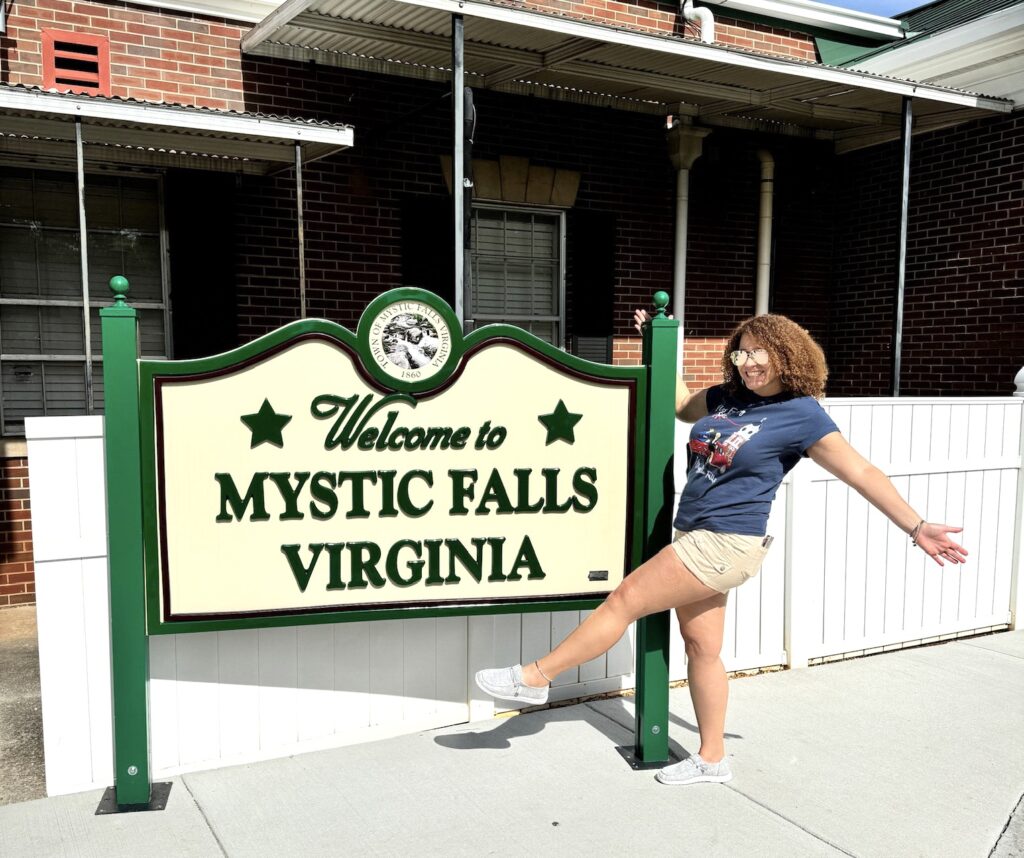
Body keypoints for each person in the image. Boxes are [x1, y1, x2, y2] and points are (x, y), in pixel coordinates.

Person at [475, 311, 967, 786]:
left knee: (625, 599)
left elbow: (861, 472)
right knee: (703, 649)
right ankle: (713, 759)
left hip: (725, 542)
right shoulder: (727, 398)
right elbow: (680, 403)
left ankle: (535, 678)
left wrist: (916, 525)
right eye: (742, 353)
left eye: (761, 354)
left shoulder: (802, 414)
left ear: (788, 357)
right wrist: (660, 346)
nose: (749, 363)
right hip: (695, 535)